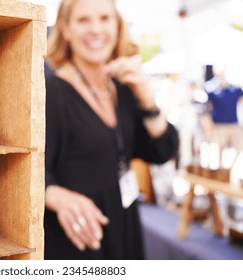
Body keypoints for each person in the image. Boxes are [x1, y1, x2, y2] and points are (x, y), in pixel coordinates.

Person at [44, 0, 179, 260]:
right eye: (83, 20)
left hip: (125, 223)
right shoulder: (52, 92)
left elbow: (163, 151)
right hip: (79, 236)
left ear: (117, 26)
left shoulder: (125, 88)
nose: (96, 29)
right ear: (66, 30)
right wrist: (56, 196)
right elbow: (31, 172)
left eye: (104, 18)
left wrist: (147, 100)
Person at [204, 65, 243, 167]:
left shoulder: (235, 89)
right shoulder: (213, 91)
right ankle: (222, 170)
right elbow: (208, 108)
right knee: (220, 150)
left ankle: (229, 168)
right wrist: (209, 125)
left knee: (239, 147)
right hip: (219, 126)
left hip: (233, 125)